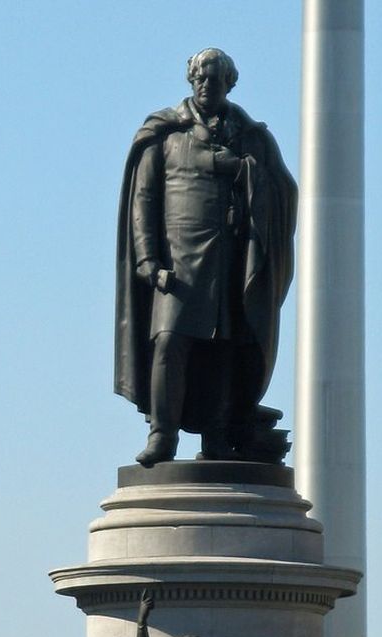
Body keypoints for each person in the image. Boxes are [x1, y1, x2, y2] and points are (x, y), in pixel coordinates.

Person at [115, 47, 297, 466]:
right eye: (200, 78)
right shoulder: (165, 134)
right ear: (190, 81)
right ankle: (163, 434)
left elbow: (282, 190)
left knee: (222, 348)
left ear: (229, 84)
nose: (206, 85)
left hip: (229, 261)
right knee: (169, 343)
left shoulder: (251, 136)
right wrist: (147, 260)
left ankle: (216, 437)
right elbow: (143, 199)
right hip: (177, 264)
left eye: (215, 80)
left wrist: (246, 170)